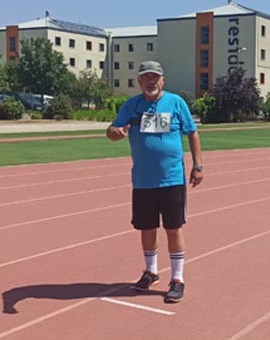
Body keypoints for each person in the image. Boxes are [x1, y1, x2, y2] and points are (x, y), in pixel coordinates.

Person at [106, 60, 204, 303]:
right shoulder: (131, 105)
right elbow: (112, 131)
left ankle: (178, 279)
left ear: (163, 80)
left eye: (155, 77)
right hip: (142, 180)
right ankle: (151, 272)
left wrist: (198, 165)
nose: (151, 81)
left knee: (173, 228)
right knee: (146, 228)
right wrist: (114, 133)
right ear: (140, 81)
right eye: (146, 77)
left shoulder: (176, 103)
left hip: (171, 179)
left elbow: (192, 132)